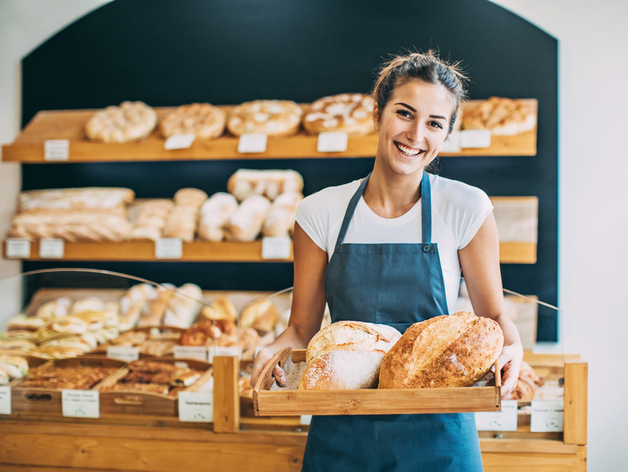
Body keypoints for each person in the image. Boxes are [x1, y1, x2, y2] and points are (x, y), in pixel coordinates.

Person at [250, 51, 524, 472]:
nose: (416, 134)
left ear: (446, 134)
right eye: (404, 113)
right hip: (342, 430)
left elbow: (495, 317)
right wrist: (270, 353)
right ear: (377, 114)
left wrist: (514, 348)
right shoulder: (319, 212)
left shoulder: (466, 207)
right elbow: (301, 330)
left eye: (435, 123)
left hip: (440, 434)